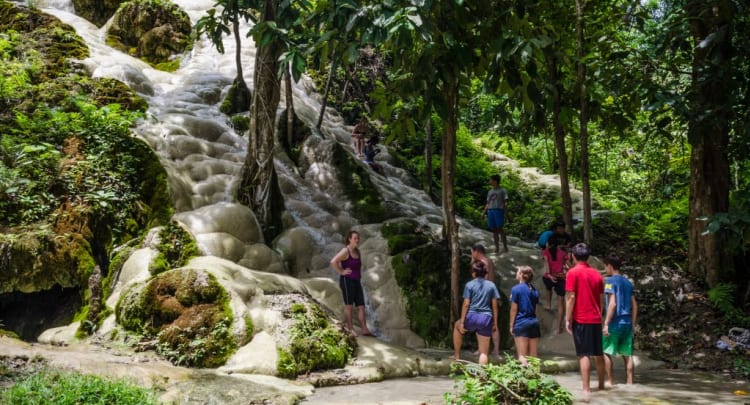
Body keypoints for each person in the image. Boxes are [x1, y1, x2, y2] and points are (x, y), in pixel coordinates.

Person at [564, 242, 605, 401]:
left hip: (581, 318)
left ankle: (586, 389)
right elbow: (601, 299)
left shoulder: (572, 273)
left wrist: (568, 318)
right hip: (595, 318)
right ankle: (601, 385)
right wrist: (599, 314)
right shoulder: (597, 274)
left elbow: (571, 297)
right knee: (598, 353)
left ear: (573, 256)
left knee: (584, 354)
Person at [452, 261, 500, 365]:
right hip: (486, 318)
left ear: (474, 272)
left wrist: (462, 322)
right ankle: (481, 378)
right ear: (485, 272)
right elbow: (495, 306)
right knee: (484, 352)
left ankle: (457, 355)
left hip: (472, 316)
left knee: (457, 326)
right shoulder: (491, 285)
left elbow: (466, 304)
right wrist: (495, 323)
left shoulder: (469, 285)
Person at [602, 254, 638, 385]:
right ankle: (630, 383)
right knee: (627, 355)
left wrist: (606, 323)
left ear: (610, 266)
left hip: (615, 322)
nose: (605, 269)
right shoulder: (628, 283)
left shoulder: (609, 281)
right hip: (627, 322)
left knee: (605, 352)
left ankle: (611, 382)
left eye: (605, 266)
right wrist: (633, 324)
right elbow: (634, 305)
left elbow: (612, 303)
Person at [330, 230, 374, 337]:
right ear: (349, 239)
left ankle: (364, 329)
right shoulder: (346, 251)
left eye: (358, 238)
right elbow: (333, 261)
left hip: (357, 281)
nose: (357, 240)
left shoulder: (357, 251)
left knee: (361, 306)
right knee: (349, 306)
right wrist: (341, 271)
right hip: (347, 281)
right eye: (355, 238)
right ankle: (351, 329)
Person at [470, 243, 501, 357]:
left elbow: (484, 278)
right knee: (493, 322)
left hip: (484, 294)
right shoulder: (489, 260)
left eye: (472, 252)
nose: (471, 255)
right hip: (492, 292)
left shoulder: (482, 263)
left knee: (481, 321)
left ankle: (482, 349)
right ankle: (496, 350)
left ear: (477, 252)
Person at [509, 266, 540, 366]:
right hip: (533, 322)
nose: (516, 274)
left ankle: (524, 379)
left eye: (518, 272)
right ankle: (536, 378)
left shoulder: (515, 289)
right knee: (533, 355)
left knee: (522, 355)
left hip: (521, 322)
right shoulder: (534, 290)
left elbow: (514, 309)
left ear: (522, 275)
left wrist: (511, 325)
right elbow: (535, 309)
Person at [542, 235, 567, 334]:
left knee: (548, 289)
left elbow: (546, 265)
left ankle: (548, 304)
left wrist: (549, 275)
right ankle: (558, 327)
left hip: (549, 277)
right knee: (561, 303)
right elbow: (566, 264)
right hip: (560, 277)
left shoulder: (545, 252)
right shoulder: (562, 253)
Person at [481, 174, 509, 253]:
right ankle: (496, 247)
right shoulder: (490, 191)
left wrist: (506, 214)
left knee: (500, 229)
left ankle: (505, 247)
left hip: (499, 210)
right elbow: (488, 203)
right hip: (491, 211)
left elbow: (506, 203)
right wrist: (483, 212)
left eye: (490, 180)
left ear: (495, 181)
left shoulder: (503, 190)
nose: (489, 181)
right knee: (494, 230)